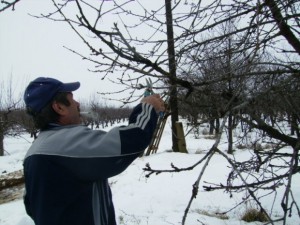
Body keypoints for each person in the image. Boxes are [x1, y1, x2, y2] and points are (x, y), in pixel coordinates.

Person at [23, 77, 165, 225]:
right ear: (59, 107)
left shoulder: (33, 151)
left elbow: (30, 205)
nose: (77, 104)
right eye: (72, 99)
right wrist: (148, 107)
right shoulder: (67, 143)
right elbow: (133, 139)